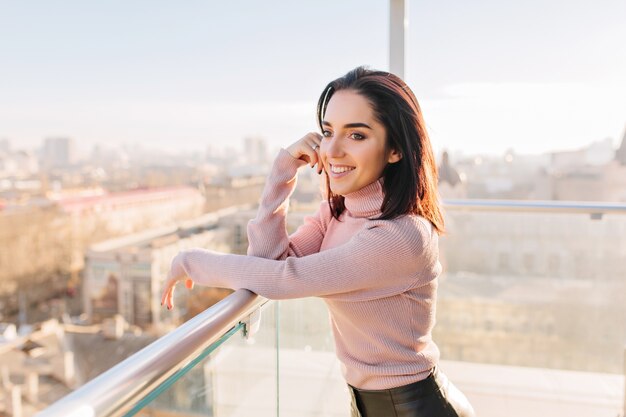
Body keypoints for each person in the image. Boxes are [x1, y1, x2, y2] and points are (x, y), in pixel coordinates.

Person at [161, 66, 475, 417]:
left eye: (356, 136)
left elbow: (285, 279)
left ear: (395, 149)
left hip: (416, 408)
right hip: (365, 404)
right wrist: (284, 169)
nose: (333, 151)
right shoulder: (338, 212)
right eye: (328, 132)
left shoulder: (402, 236)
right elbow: (269, 260)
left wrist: (189, 262)